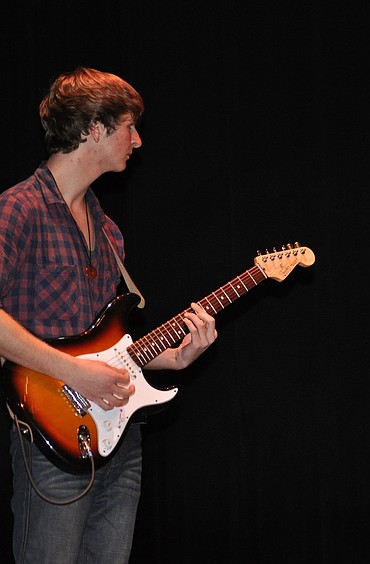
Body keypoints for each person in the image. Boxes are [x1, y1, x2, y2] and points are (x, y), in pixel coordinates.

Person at [1, 67, 218, 563]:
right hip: (50, 436)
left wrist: (169, 360)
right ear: (93, 129)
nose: (137, 141)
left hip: (121, 435)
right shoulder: (18, 210)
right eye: (129, 127)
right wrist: (76, 374)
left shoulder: (110, 233)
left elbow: (105, 348)